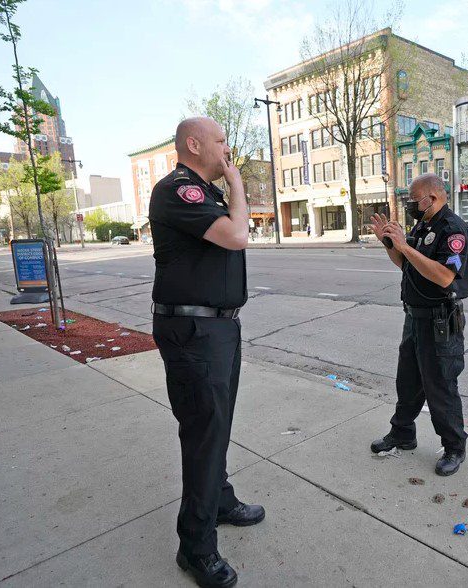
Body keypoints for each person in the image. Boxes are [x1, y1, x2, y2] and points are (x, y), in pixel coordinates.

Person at [149, 117, 264, 588]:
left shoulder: (207, 193)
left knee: (216, 426)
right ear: (193, 145)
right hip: (193, 331)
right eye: (220, 141)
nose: (226, 149)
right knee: (203, 432)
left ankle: (219, 499)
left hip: (217, 328)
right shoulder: (180, 190)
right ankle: (195, 546)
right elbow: (239, 235)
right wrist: (236, 179)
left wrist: (229, 184)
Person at [370, 173, 468, 476]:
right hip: (414, 317)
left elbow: (444, 276)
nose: (410, 205)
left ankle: (454, 447)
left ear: (434, 197)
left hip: (439, 321)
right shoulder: (423, 225)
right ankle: (403, 433)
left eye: (414, 200)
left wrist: (405, 246)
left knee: (441, 386)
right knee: (408, 381)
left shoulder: (452, 229)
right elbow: (405, 263)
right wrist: (390, 244)